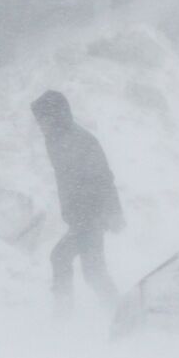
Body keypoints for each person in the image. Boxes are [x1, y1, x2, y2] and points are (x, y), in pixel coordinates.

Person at [31, 90, 124, 312]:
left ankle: (67, 314)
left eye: (43, 119)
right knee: (93, 271)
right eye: (38, 120)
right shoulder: (55, 139)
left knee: (64, 259)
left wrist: (112, 212)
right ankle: (118, 311)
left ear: (56, 116)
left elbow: (103, 176)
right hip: (80, 215)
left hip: (91, 214)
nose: (39, 125)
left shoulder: (80, 140)